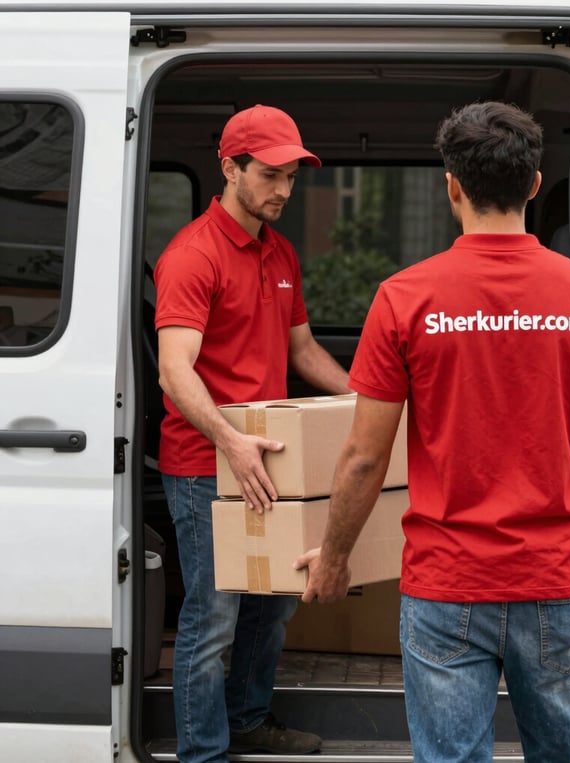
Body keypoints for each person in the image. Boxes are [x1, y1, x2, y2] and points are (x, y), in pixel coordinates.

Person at [296, 101, 570, 763]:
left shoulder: (404, 297)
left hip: (446, 586)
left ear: (450, 185)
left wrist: (335, 554)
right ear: (535, 184)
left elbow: (365, 456)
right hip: (559, 581)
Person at [154, 103, 350, 762]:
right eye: (270, 175)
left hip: (269, 458)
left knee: (271, 606)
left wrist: (368, 398)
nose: (284, 192)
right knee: (213, 618)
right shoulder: (192, 254)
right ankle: (202, 751)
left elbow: (302, 351)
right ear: (230, 166)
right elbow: (173, 371)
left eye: (293, 178)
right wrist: (229, 442)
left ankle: (246, 718)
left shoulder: (281, 251)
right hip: (205, 464)